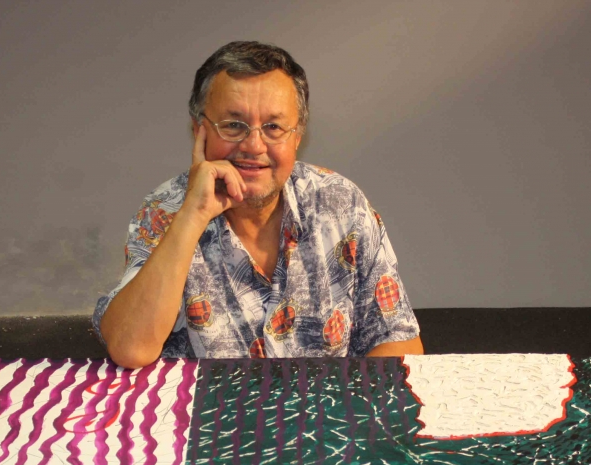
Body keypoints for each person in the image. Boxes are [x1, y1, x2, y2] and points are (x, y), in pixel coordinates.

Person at [94, 41, 423, 368]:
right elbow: (130, 349)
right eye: (233, 125)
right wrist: (192, 216)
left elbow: (399, 341)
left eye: (273, 127)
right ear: (199, 131)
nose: (253, 145)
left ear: (297, 137)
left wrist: (340, 401)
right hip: (203, 403)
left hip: (324, 402)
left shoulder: (340, 204)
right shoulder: (165, 210)